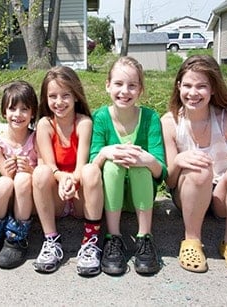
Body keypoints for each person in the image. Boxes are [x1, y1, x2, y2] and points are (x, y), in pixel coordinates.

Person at [160, 55, 227, 275]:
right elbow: (169, 180)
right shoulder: (170, 122)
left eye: (202, 86)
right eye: (188, 85)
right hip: (188, 191)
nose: (193, 93)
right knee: (199, 168)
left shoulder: (225, 119)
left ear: (213, 90)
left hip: (221, 196)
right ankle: (192, 240)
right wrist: (179, 161)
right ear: (179, 86)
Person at [89, 56, 167, 276]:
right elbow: (91, 165)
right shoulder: (101, 117)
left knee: (140, 165)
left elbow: (161, 170)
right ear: (107, 85)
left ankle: (144, 238)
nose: (125, 91)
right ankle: (113, 238)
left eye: (132, 85)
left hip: (140, 197)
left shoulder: (150, 118)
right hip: (110, 197)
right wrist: (105, 153)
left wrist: (146, 159)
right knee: (112, 165)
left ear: (140, 90)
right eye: (118, 84)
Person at [32, 66, 104, 276]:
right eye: (52, 96)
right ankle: (51, 241)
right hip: (57, 197)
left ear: (76, 95)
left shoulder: (84, 123)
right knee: (40, 172)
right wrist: (62, 179)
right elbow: (50, 166)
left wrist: (71, 180)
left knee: (91, 170)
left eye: (65, 95)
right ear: (45, 99)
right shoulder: (45, 124)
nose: (59, 102)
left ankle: (90, 242)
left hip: (80, 194)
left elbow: (81, 166)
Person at [0, 81, 39, 270]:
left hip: (30, 199)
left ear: (32, 113)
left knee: (22, 178)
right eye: (12, 109)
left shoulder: (37, 139)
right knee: (4, 181)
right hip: (8, 197)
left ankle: (16, 239)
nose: (18, 114)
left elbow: (44, 172)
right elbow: (6, 175)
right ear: (4, 112)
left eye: (24, 109)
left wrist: (30, 170)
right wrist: (9, 170)